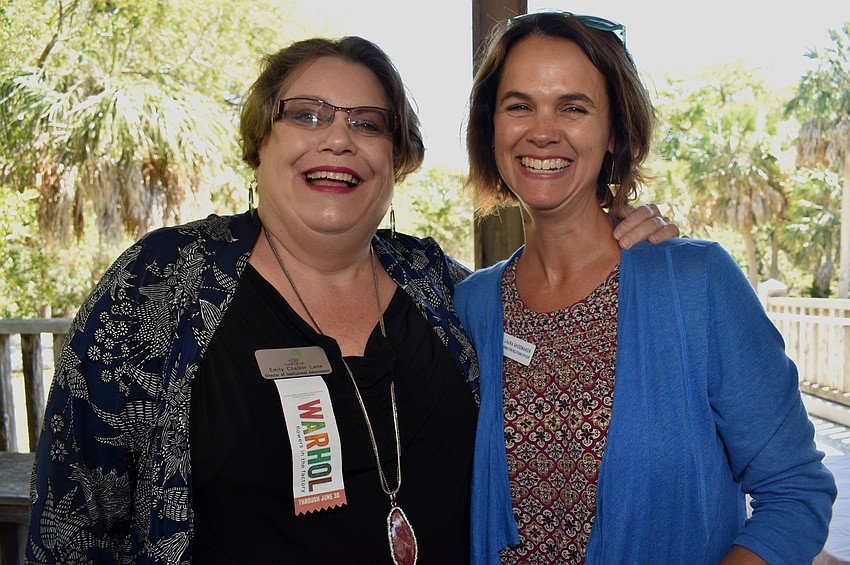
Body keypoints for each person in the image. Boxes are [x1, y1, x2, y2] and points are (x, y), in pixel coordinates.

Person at [25, 35, 674, 564]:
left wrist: (620, 240)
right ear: (261, 139)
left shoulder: (443, 288)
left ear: (397, 159)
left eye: (368, 123)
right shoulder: (159, 285)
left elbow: (556, 313)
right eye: (307, 113)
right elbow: (71, 524)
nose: (338, 138)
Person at [454, 11, 837, 565]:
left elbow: (795, 492)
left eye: (573, 107)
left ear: (614, 133)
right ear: (491, 127)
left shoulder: (695, 285)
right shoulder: (472, 305)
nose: (542, 131)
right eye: (519, 106)